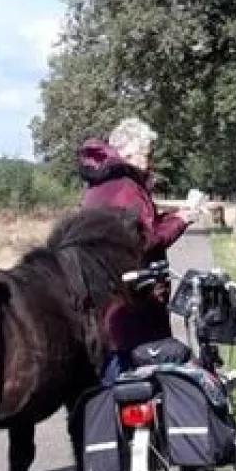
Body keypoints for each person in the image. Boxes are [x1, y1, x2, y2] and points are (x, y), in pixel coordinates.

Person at [78, 117, 205, 382]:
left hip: (103, 292)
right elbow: (144, 240)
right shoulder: (127, 188)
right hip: (134, 299)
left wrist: (178, 214)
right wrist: (182, 220)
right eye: (146, 155)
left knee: (111, 365)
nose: (150, 162)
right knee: (140, 369)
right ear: (127, 153)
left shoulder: (98, 186)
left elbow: (142, 225)